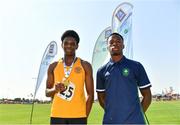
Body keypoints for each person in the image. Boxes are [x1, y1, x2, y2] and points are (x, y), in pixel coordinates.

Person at [96, 32, 152, 124]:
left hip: (135, 122)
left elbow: (147, 95)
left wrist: (138, 114)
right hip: (111, 121)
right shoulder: (101, 71)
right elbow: (101, 98)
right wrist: (112, 113)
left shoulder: (136, 66)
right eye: (111, 42)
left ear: (123, 46)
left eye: (118, 41)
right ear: (107, 47)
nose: (115, 43)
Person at [46, 30, 94, 124]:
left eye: (72, 44)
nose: (69, 46)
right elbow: (47, 92)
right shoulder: (53, 66)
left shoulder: (85, 65)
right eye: (66, 43)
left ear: (77, 46)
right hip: (57, 115)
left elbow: (90, 94)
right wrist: (54, 90)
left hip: (79, 116)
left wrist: (84, 115)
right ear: (62, 45)